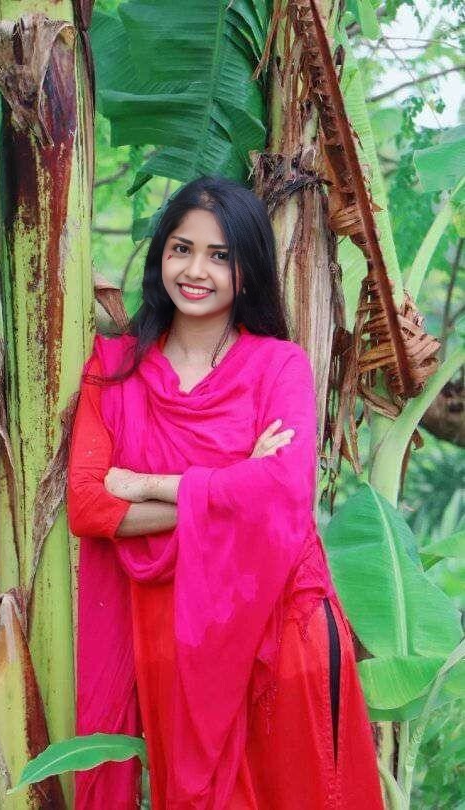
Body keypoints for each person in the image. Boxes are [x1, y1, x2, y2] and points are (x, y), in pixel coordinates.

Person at [67, 175, 385, 810]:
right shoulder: (117, 367)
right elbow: (90, 506)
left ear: (248, 269)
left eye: (220, 255)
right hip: (171, 635)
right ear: (161, 254)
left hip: (280, 626)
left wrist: (153, 485)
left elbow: (287, 490)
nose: (196, 271)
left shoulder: (278, 365)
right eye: (182, 249)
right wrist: (235, 486)